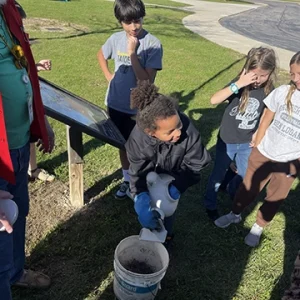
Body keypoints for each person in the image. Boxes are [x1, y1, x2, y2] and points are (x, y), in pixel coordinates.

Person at [214, 51, 300, 247]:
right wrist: (258, 143)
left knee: (276, 195)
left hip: (290, 161)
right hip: (264, 151)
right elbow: (266, 118)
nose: (295, 79)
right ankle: (234, 214)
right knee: (248, 187)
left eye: (299, 74)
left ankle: (259, 226)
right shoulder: (283, 92)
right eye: (292, 74)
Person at [0, 0, 54, 298]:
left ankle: (15, 272)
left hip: (18, 143)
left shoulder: (7, 10)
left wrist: (39, 121)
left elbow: (25, 69)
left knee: (18, 211)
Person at [125, 81, 211, 246]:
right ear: (151, 133)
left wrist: (176, 188)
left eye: (178, 125)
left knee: (167, 209)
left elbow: (196, 164)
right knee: (150, 209)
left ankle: (167, 235)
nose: (178, 133)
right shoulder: (137, 140)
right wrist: (140, 197)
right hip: (150, 178)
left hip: (174, 177)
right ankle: (151, 234)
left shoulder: (188, 131)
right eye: (170, 132)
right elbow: (137, 173)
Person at [97, 0, 163, 199]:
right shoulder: (115, 38)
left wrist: (132, 53)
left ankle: (140, 183)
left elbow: (145, 80)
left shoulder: (153, 44)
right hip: (115, 103)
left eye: (137, 20)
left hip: (138, 109)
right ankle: (127, 180)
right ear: (120, 22)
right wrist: (109, 76)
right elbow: (101, 54)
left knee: (139, 148)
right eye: (128, 22)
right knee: (123, 145)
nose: (134, 27)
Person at [204, 47, 277, 221]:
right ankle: (210, 204)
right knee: (217, 174)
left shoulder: (269, 89)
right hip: (227, 141)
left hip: (246, 142)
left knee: (245, 174)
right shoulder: (239, 84)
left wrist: (259, 132)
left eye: (263, 75)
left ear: (270, 73)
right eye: (254, 75)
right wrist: (239, 83)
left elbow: (266, 112)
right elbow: (214, 100)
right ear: (246, 70)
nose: (258, 80)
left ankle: (230, 188)